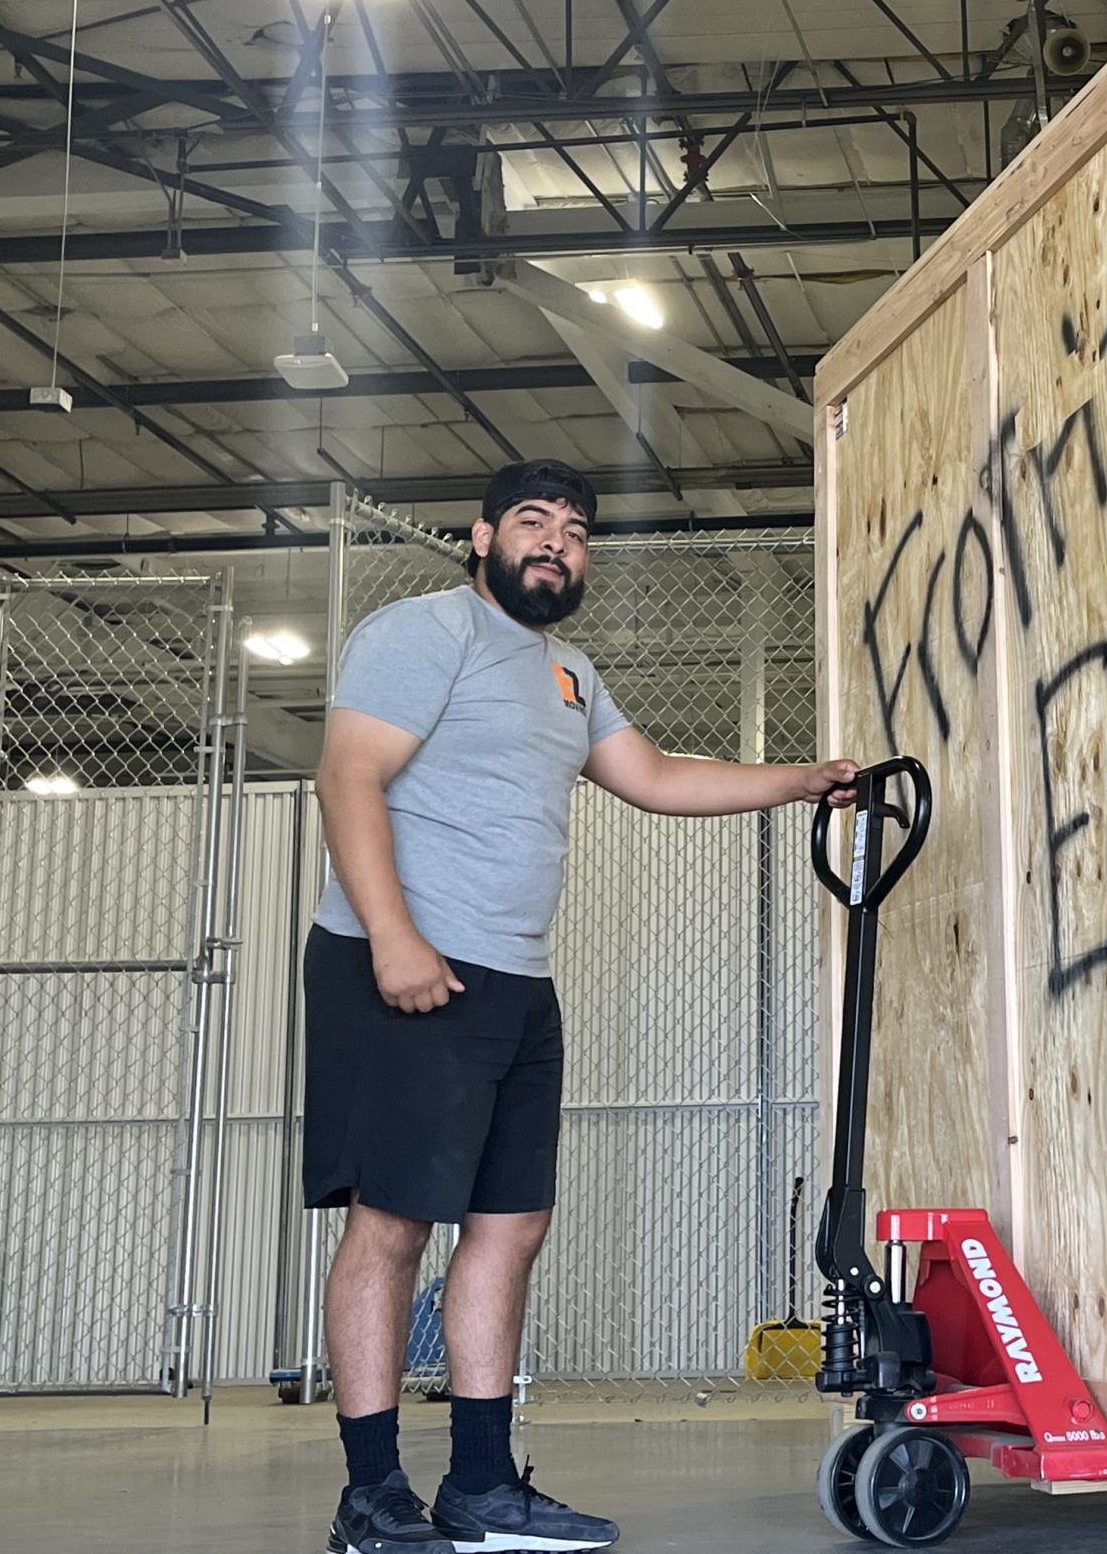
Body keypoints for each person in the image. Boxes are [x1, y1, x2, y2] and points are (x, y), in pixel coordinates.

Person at [304, 457, 856, 1554]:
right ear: (481, 537)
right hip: (402, 963)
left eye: (574, 529)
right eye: (532, 521)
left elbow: (653, 775)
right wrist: (397, 939)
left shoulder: (568, 673)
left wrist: (800, 780)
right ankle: (371, 1495)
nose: (555, 541)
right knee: (394, 1220)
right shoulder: (426, 631)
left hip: (513, 980)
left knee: (511, 1224)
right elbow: (347, 776)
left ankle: (479, 1485)